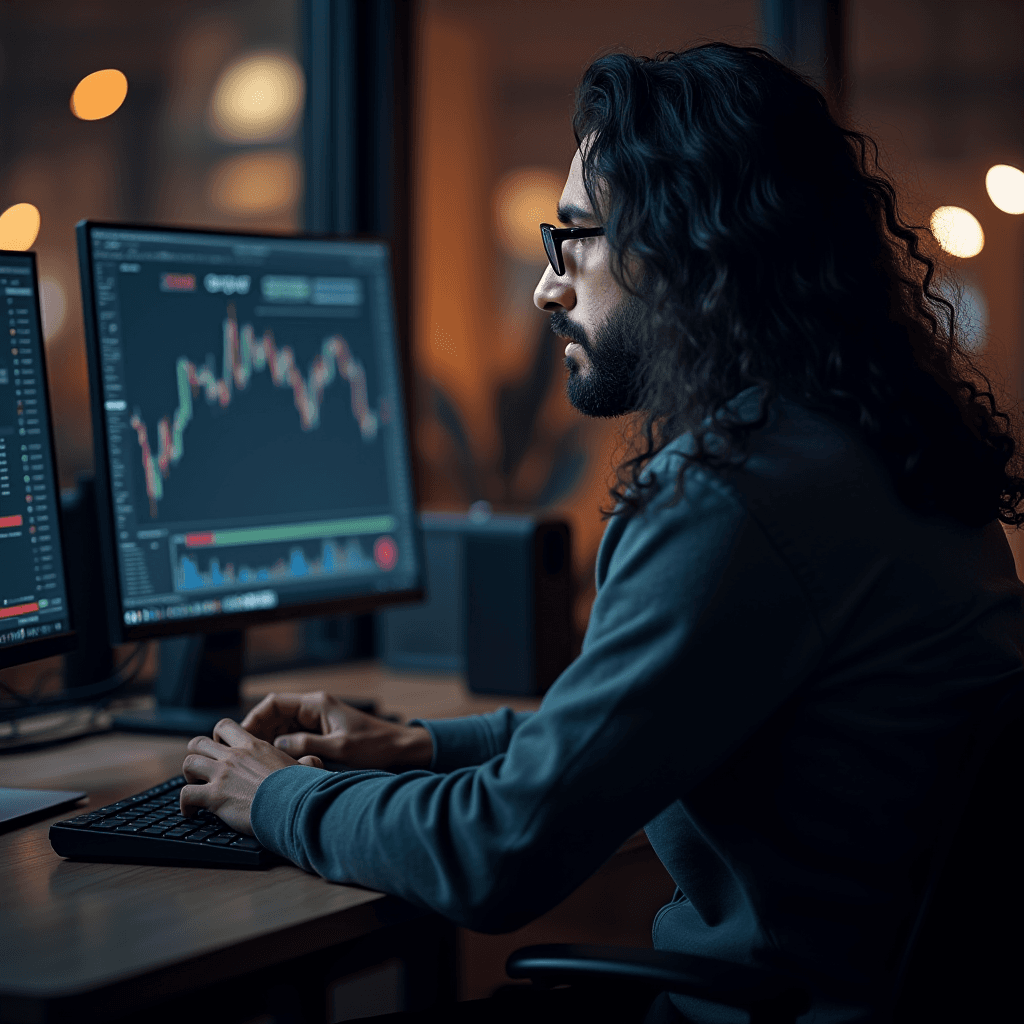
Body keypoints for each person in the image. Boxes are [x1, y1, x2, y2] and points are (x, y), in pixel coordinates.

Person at [177, 43, 1024, 1023]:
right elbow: (661, 727)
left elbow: (497, 852)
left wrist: (272, 793)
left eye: (571, 238)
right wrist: (423, 742)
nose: (547, 288)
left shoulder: (731, 494)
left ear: (682, 248)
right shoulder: (875, 447)